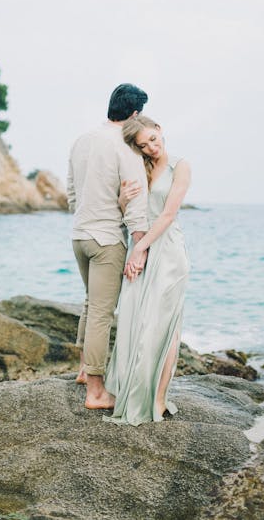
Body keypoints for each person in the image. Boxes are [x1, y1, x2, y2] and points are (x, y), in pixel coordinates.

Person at [104, 114, 191, 426]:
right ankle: (128, 392)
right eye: (144, 145)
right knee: (134, 322)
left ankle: (158, 399)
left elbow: (167, 215)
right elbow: (133, 212)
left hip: (167, 253)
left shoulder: (180, 165)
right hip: (140, 249)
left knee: (163, 327)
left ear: (159, 130)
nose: (152, 148)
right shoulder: (139, 167)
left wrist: (140, 249)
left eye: (153, 139)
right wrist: (122, 200)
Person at [67, 84, 149, 410]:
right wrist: (139, 246)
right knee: (102, 313)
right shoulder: (124, 146)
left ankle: (84, 370)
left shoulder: (81, 141)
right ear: (133, 114)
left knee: (91, 304)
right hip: (107, 240)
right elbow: (136, 202)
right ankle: (96, 392)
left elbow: (72, 193)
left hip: (80, 235)